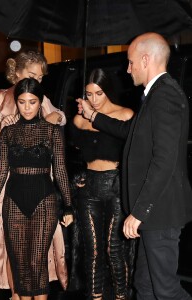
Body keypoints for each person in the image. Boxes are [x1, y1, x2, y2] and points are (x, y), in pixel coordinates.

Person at [79, 32, 192, 299]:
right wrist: (94, 116)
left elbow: (164, 161)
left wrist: (140, 212)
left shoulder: (165, 96)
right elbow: (129, 129)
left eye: (130, 62)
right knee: (144, 285)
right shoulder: (155, 95)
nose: (127, 69)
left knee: (165, 290)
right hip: (155, 214)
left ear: (145, 59)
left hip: (160, 213)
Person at [0, 50, 68, 300]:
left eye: (40, 76)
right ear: (17, 72)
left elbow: (60, 118)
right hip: (5, 178)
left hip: (38, 177)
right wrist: (1, 130)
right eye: (31, 74)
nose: (37, 80)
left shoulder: (39, 96)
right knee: (10, 246)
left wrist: (51, 118)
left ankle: (31, 291)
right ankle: (16, 293)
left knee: (36, 251)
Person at [70, 68, 133, 300]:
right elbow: (75, 155)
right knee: (93, 251)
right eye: (88, 94)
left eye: (99, 93)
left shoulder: (125, 115)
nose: (93, 100)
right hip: (89, 188)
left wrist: (92, 116)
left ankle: (121, 297)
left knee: (114, 250)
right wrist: (78, 175)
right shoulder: (79, 120)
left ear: (108, 91)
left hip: (115, 186)